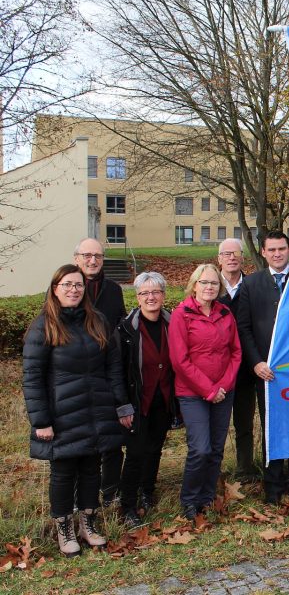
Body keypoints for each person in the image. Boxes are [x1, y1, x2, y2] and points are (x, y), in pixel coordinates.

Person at [23, 265, 133, 556]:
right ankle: (64, 528)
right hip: (62, 413)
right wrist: (41, 420)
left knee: (90, 469)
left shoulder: (96, 321)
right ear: (55, 288)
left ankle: (88, 522)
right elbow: (32, 377)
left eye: (79, 285)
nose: (73, 290)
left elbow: (113, 368)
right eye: (67, 285)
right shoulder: (44, 325)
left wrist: (121, 405)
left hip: (97, 409)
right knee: (63, 472)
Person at [236, 231, 289, 504]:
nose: (278, 254)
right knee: (272, 426)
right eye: (272, 250)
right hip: (267, 372)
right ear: (263, 253)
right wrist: (255, 362)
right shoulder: (251, 285)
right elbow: (243, 328)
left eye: (282, 248)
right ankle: (273, 485)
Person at [169, 264, 241, 520]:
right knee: (200, 448)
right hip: (193, 393)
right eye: (204, 282)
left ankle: (207, 497)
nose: (209, 287)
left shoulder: (225, 313)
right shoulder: (182, 314)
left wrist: (224, 384)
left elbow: (235, 352)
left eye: (214, 283)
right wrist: (209, 390)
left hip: (223, 391)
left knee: (216, 448)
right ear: (194, 285)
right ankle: (189, 500)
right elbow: (180, 360)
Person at [117, 272, 177, 526]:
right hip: (138, 401)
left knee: (155, 448)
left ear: (163, 295)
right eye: (145, 293)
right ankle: (127, 504)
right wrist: (123, 406)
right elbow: (117, 371)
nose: (150, 297)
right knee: (136, 452)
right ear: (137, 297)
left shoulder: (172, 323)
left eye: (156, 292)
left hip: (163, 399)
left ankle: (147, 492)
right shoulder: (126, 329)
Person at [73, 238, 127, 506]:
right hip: (75, 376)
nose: (92, 260)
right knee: (80, 439)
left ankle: (110, 492)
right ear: (76, 258)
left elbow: (121, 327)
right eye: (87, 255)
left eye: (97, 256)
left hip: (107, 373)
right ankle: (80, 496)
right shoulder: (67, 288)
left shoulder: (113, 290)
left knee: (111, 438)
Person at [217, 238, 258, 482]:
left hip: (245, 368)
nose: (232, 258)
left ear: (242, 257)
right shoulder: (210, 285)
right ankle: (214, 471)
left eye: (236, 253)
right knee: (216, 426)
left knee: (244, 422)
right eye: (226, 254)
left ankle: (245, 470)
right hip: (216, 370)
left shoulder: (252, 285)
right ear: (218, 258)